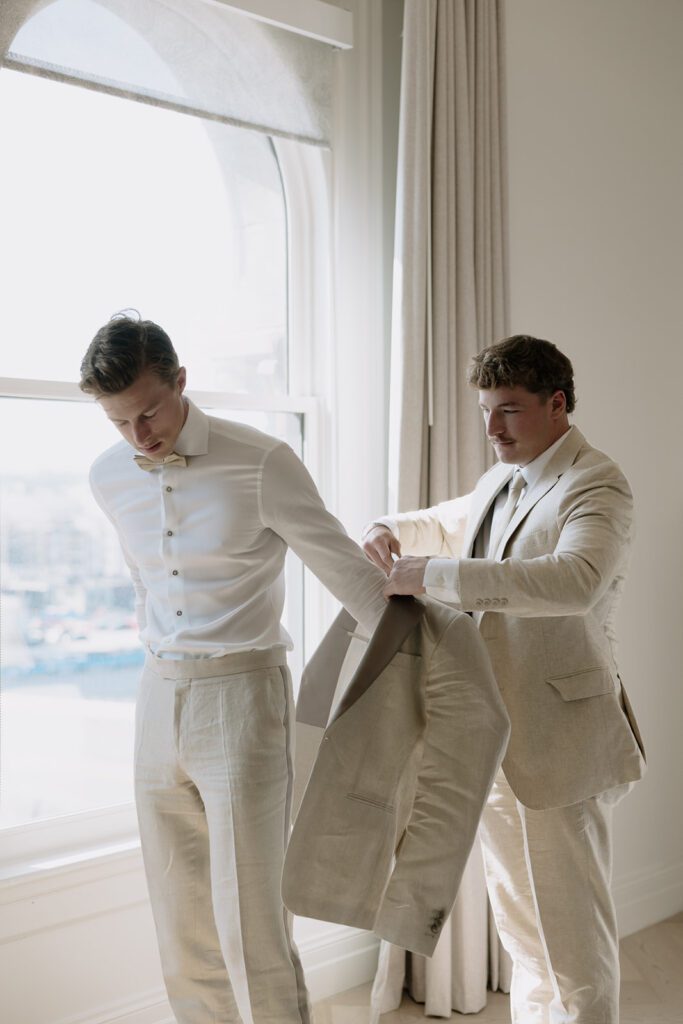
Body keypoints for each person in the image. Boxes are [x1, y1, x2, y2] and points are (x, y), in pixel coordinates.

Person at [80, 313, 390, 1024]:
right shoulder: (107, 477)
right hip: (157, 698)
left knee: (253, 928)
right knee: (181, 931)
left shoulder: (262, 460)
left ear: (181, 381)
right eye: (119, 420)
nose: (139, 435)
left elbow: (354, 582)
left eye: (149, 410)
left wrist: (432, 680)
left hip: (244, 699)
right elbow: (144, 584)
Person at [363, 334, 645, 1024]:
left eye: (509, 411)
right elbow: (442, 520)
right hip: (487, 736)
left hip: (561, 737)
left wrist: (430, 576)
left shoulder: (595, 482)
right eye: (486, 410)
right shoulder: (500, 478)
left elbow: (574, 582)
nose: (491, 428)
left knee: (573, 944)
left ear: (556, 404)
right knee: (522, 936)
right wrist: (387, 528)